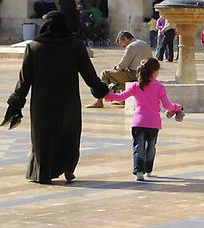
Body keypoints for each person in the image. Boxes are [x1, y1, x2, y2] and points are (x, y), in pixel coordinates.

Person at [2, 12, 109, 184]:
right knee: (69, 135)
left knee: (44, 137)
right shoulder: (75, 46)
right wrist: (100, 90)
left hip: (42, 103)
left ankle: (44, 173)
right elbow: (89, 75)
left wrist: (16, 104)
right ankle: (67, 169)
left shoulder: (34, 47)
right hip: (68, 101)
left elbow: (24, 80)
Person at [103, 58, 182, 181]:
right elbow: (167, 106)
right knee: (150, 148)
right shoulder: (160, 87)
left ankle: (139, 171)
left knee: (138, 147)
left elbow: (120, 97)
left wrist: (107, 96)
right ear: (155, 72)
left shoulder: (136, 86)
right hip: (153, 123)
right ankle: (148, 170)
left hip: (138, 122)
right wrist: (177, 107)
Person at [85, 30, 154, 109]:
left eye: (121, 43)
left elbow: (122, 65)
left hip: (137, 75)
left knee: (105, 74)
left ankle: (99, 101)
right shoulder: (143, 43)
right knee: (122, 75)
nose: (122, 47)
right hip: (147, 74)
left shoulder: (131, 46)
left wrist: (115, 68)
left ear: (124, 38)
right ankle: (122, 100)